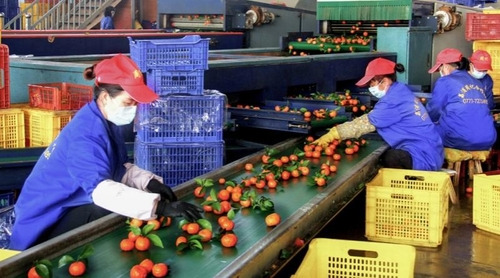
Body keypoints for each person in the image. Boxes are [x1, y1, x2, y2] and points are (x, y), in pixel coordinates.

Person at [9, 54, 203, 251]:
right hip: (44, 224)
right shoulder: (86, 136)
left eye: (136, 104)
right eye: (129, 103)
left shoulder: (104, 121)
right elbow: (102, 192)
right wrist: (159, 208)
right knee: (104, 210)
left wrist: (149, 182)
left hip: (69, 204)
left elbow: (116, 167)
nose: (134, 109)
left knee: (123, 205)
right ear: (104, 97)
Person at [314, 58, 444, 171]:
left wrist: (334, 134)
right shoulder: (400, 91)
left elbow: (364, 124)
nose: (370, 87)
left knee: (390, 158)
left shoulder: (392, 101)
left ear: (385, 81)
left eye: (372, 82)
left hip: (423, 157)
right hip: (432, 150)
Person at [426, 48, 496, 151]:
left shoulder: (445, 81)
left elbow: (434, 110)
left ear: (444, 66)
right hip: (488, 139)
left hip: (459, 140)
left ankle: (428, 165)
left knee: (424, 129)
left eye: (440, 68)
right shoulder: (477, 82)